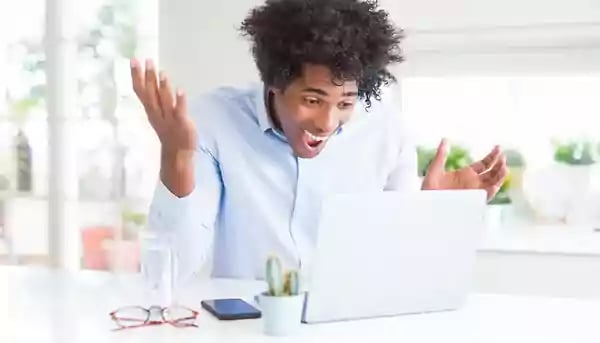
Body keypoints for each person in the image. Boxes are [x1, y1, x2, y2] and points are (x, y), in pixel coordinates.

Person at [130, 0, 507, 280]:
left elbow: (397, 270)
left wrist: (430, 213)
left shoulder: (386, 131)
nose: (328, 122)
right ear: (274, 81)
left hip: (350, 337)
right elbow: (167, 271)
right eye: (312, 100)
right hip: (247, 335)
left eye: (345, 102)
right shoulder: (213, 121)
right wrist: (177, 158)